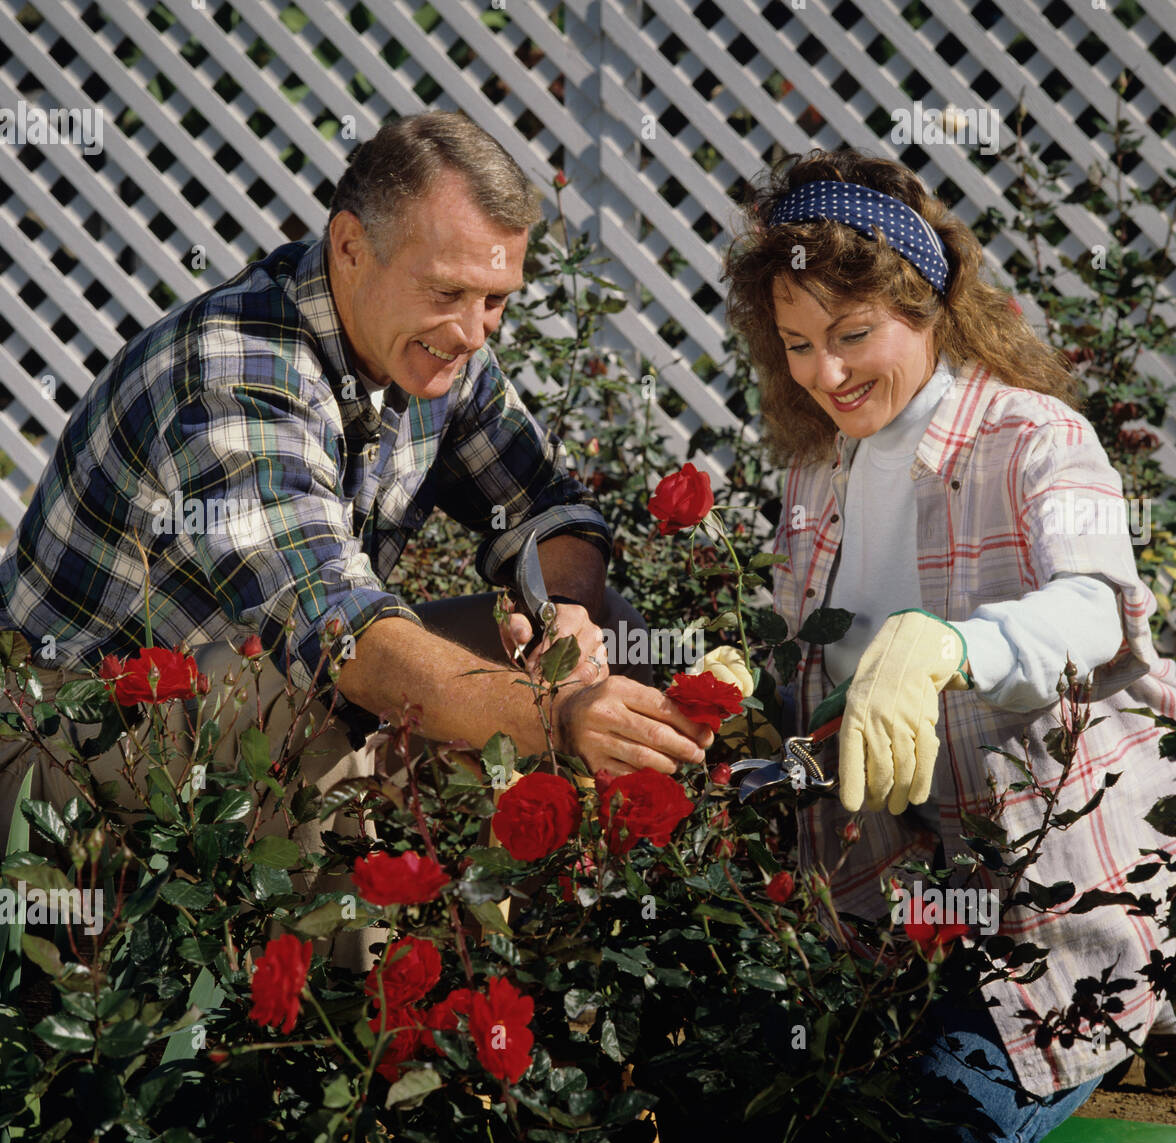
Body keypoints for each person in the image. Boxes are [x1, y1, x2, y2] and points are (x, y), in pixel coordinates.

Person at [0, 112, 711, 966]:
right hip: (64, 732)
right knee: (319, 706)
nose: (476, 329)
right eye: (448, 291)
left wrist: (563, 616)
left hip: (229, 688)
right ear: (349, 248)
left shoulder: (438, 347)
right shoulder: (237, 376)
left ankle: (578, 958)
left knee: (617, 632)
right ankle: (358, 1012)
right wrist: (550, 714)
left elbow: (546, 507)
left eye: (496, 301)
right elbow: (340, 635)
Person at [721, 150, 1176, 1143]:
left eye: (853, 334)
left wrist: (949, 644)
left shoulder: (1039, 439)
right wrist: (748, 696)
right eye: (798, 344)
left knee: (926, 1129)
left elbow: (1094, 610)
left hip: (1057, 898)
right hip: (901, 893)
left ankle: (1101, 1033)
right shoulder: (819, 471)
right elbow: (819, 688)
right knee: (749, 1088)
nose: (826, 374)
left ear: (929, 302)